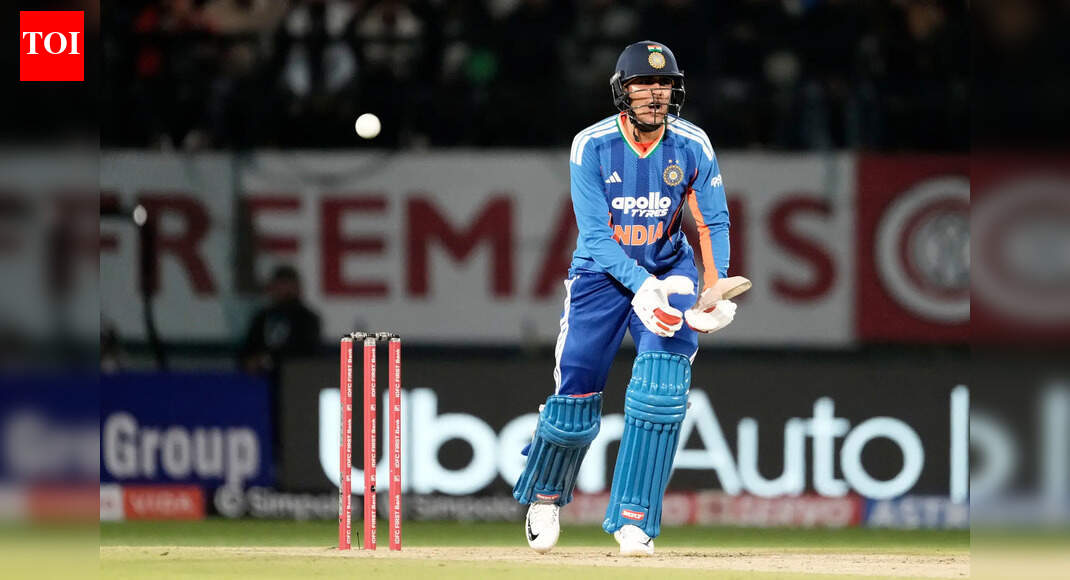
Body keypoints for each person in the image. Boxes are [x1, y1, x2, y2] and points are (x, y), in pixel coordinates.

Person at [512, 41, 738, 556]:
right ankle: (545, 495)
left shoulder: (693, 144)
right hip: (601, 276)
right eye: (643, 85)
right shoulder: (591, 145)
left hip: (670, 268)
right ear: (622, 91)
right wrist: (640, 286)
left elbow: (712, 221)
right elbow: (595, 237)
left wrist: (714, 287)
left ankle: (635, 518)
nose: (655, 94)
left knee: (662, 392)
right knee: (576, 392)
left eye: (664, 85)